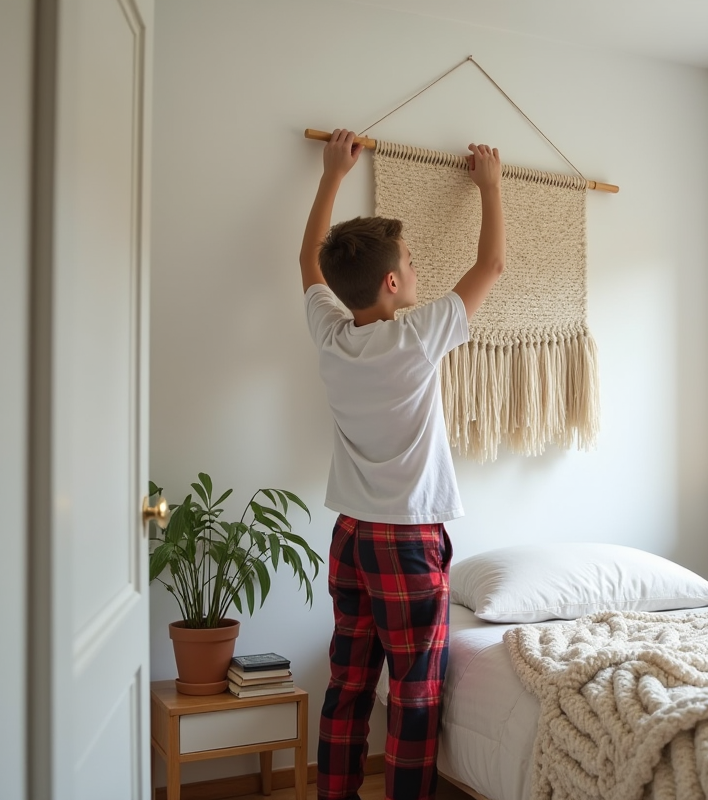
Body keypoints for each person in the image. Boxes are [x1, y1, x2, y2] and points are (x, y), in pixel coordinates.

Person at [300, 128, 506, 800]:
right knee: (413, 696)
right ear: (392, 282)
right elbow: (491, 268)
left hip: (351, 536)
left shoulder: (332, 337)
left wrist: (332, 175)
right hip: (408, 540)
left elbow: (309, 258)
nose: (419, 270)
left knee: (349, 683)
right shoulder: (418, 336)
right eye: (413, 262)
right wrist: (492, 187)